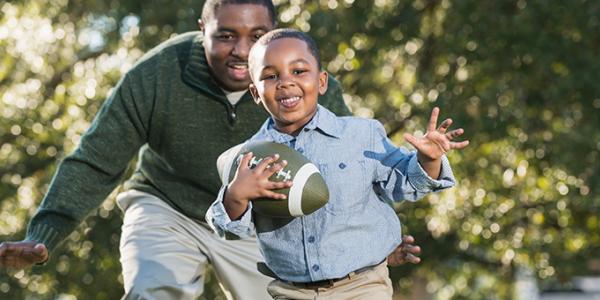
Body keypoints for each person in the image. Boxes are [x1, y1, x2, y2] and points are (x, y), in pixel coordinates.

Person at [0, 1, 421, 299]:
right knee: (155, 288)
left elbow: (345, 171)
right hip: (168, 206)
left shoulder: (306, 84)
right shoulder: (157, 75)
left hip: (261, 220)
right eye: (225, 36)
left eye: (257, 36)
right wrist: (44, 234)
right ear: (202, 30)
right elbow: (95, 162)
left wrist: (369, 244)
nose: (241, 50)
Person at [207, 28, 469, 299]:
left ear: (322, 82)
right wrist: (235, 196)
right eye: (271, 76)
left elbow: (406, 183)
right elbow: (229, 229)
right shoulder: (251, 158)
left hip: (363, 284)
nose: (285, 82)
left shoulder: (361, 134)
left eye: (298, 71)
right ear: (255, 93)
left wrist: (428, 159)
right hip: (291, 291)